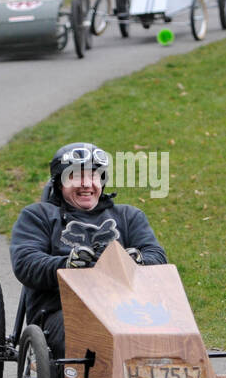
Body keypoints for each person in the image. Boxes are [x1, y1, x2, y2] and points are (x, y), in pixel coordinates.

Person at [10, 142, 167, 359]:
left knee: (166, 330)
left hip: (128, 308)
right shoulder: (37, 216)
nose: (86, 184)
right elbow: (26, 263)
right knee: (95, 338)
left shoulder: (129, 216)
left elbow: (157, 256)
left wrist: (137, 260)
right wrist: (67, 265)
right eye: (75, 176)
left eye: (93, 176)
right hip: (61, 311)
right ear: (59, 182)